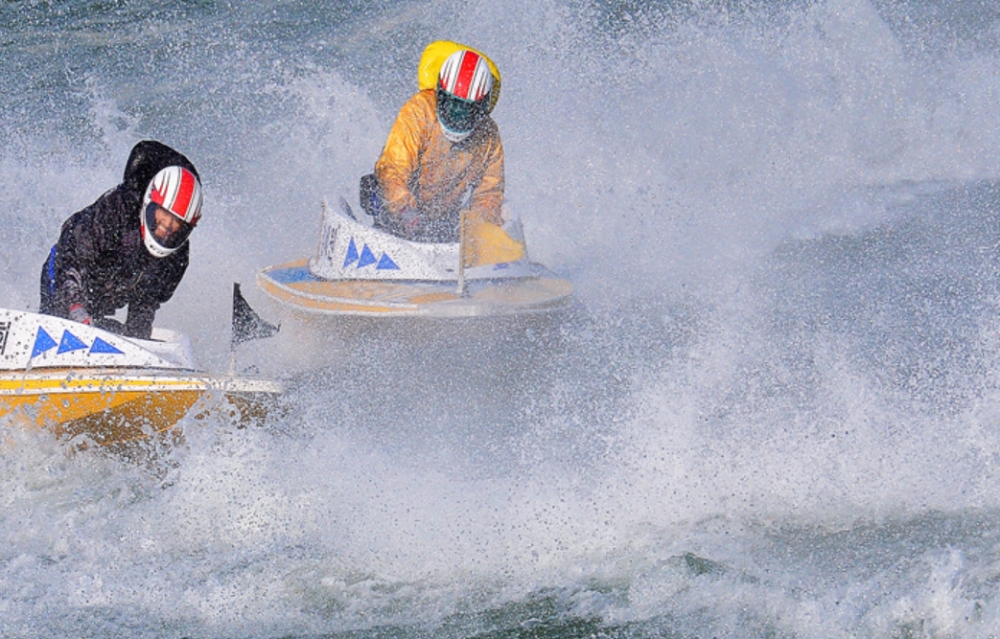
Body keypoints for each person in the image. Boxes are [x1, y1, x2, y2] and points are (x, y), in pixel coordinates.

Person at [39, 140, 203, 340]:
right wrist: (76, 307)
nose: (165, 228)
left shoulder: (176, 259)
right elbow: (72, 258)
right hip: (65, 274)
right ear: (151, 203)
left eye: (175, 225)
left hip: (104, 299)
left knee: (126, 336)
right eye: (162, 216)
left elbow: (145, 303)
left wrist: (138, 341)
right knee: (62, 325)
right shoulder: (116, 210)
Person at [361, 43, 506, 245]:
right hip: (398, 212)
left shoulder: (488, 135)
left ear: (481, 108)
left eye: (468, 110)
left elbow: (489, 195)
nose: (458, 115)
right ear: (440, 94)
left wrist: (480, 232)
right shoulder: (419, 111)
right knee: (380, 192)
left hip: (442, 217)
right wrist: (405, 211)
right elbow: (393, 169)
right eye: (452, 105)